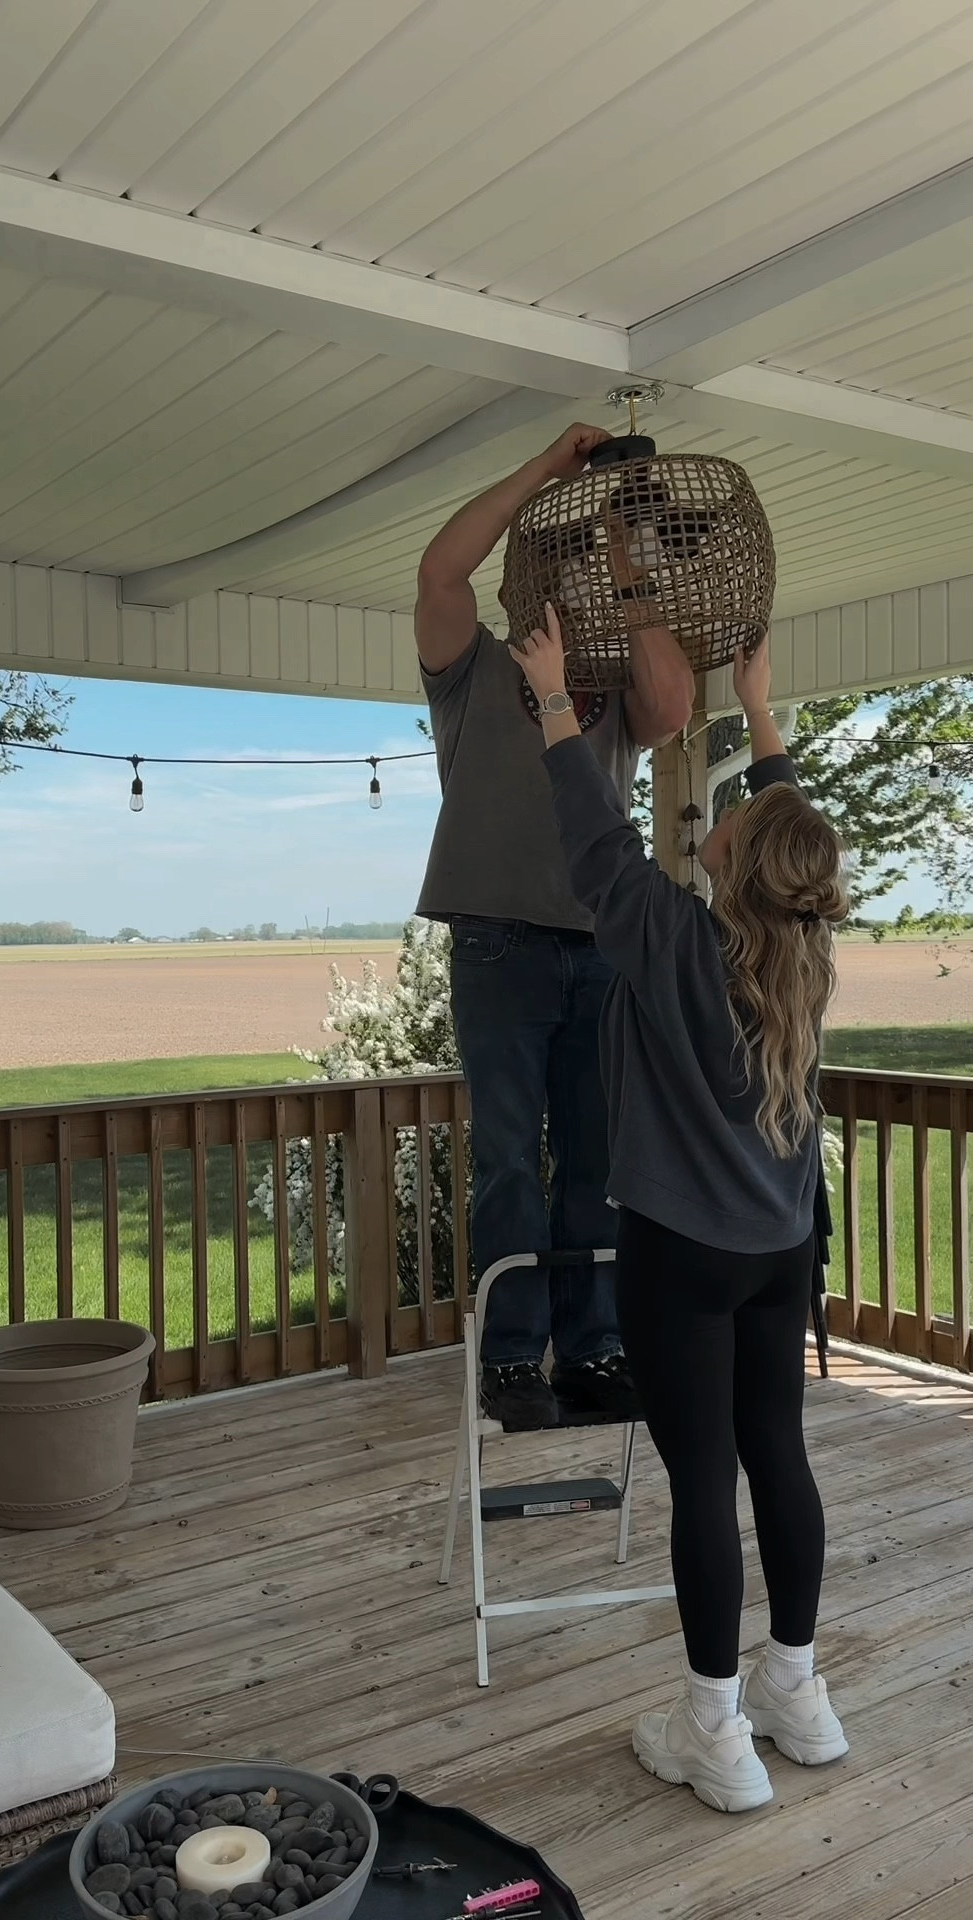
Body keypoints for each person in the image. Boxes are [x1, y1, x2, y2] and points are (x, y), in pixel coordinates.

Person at [511, 606, 848, 1814]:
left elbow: (592, 835)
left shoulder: (670, 942)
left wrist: (552, 695)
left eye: (740, 820)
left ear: (739, 863)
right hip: (779, 1250)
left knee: (704, 1479)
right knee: (779, 1460)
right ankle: (796, 1696)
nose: (729, 818)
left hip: (684, 1258)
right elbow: (797, 840)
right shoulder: (803, 955)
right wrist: (760, 715)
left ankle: (715, 1727)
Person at [414, 424, 695, 1431]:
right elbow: (440, 568)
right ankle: (512, 1364)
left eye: (581, 579)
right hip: (498, 946)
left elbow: (674, 699)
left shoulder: (611, 696)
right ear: (522, 589)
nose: (567, 591)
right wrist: (544, 469)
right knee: (504, 1161)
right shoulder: (470, 670)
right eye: (558, 571)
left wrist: (627, 552)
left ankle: (595, 1350)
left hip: (599, 953)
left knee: (596, 1162)